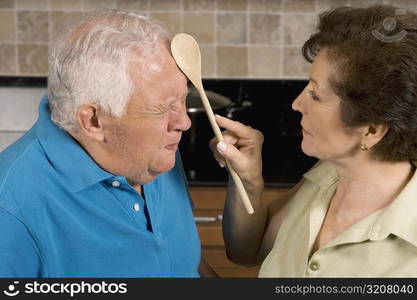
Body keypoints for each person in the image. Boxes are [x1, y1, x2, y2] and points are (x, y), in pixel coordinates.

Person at [0, 9, 213, 277]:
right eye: (162, 109)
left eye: (183, 98)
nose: (184, 123)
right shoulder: (11, 210)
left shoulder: (154, 152)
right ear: (93, 122)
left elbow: (181, 258)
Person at [210, 4, 417, 277]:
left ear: (371, 130)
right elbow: (248, 250)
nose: (296, 103)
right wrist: (248, 181)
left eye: (315, 95)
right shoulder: (328, 176)